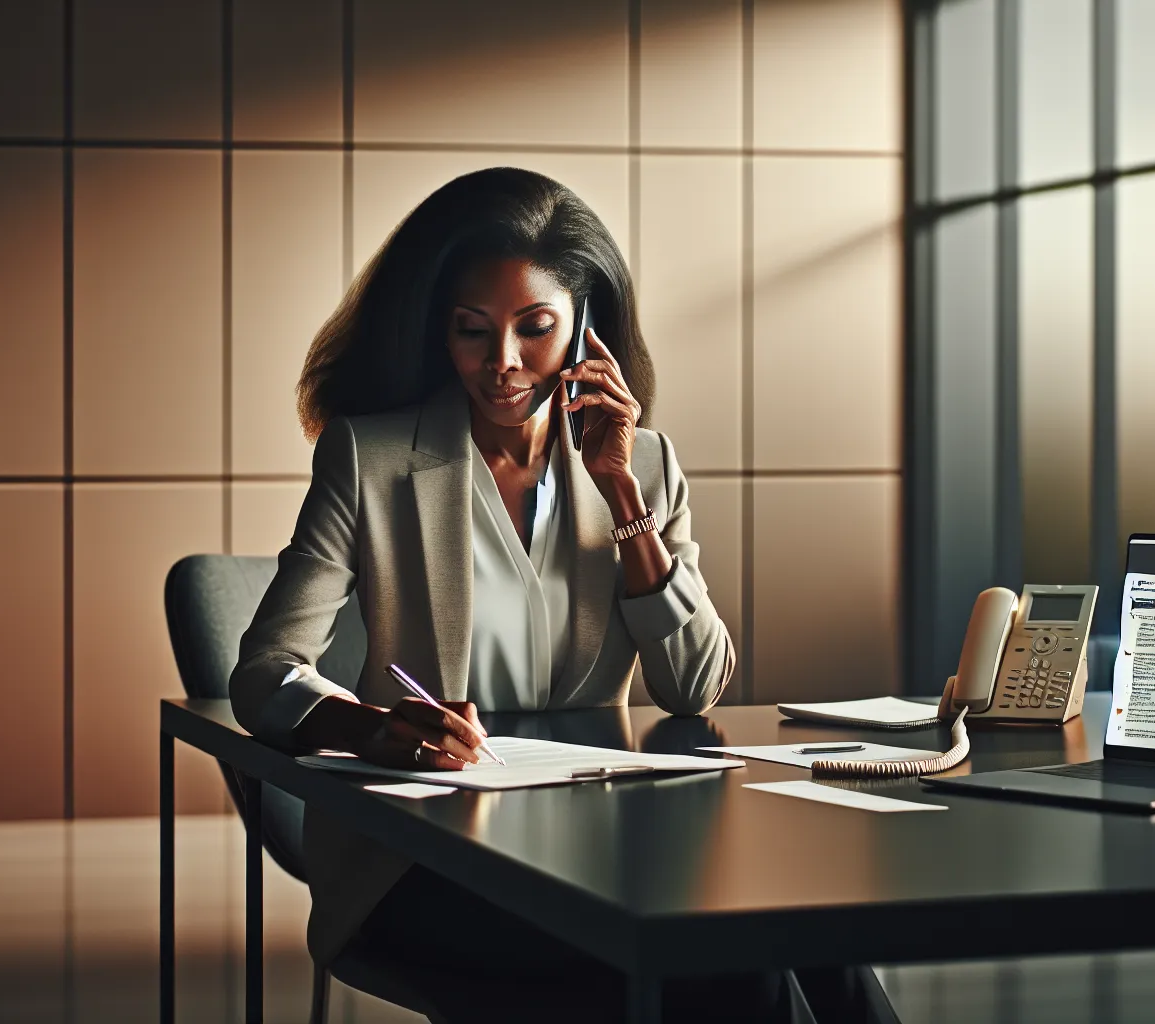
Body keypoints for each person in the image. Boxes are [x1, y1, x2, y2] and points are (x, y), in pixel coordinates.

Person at [229, 167, 766, 1021]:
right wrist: (375, 729)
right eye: (472, 331)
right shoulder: (368, 460)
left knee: (792, 953)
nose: (505, 364)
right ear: (437, 328)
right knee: (712, 976)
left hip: (601, 849)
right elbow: (264, 673)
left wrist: (622, 496)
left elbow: (694, 684)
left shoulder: (646, 466)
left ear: (588, 330)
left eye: (537, 328)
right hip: (423, 864)